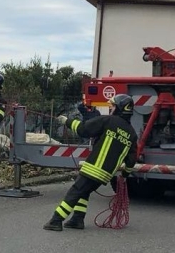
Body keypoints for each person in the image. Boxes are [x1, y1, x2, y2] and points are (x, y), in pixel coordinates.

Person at [43, 94, 138, 231]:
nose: (111, 109)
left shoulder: (108, 121)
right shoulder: (132, 134)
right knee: (84, 191)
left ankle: (56, 220)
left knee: (75, 191)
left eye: (113, 106)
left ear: (119, 108)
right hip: (106, 175)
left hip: (93, 168)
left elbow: (84, 129)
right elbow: (131, 160)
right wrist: (125, 175)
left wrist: (67, 121)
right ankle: (77, 219)